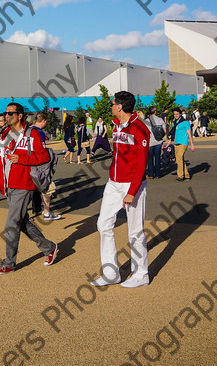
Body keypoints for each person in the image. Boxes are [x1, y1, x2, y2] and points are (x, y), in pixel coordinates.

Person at [0, 103, 58, 273]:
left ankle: (9, 263)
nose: (6, 116)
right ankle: (49, 248)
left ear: (20, 115)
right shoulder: (4, 135)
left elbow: (44, 157)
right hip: (9, 186)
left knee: (11, 224)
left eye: (10, 113)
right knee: (21, 222)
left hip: (24, 185)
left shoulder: (33, 134)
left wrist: (22, 158)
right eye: (5, 113)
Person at [90, 91, 150, 288]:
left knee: (135, 231)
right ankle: (110, 273)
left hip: (132, 185)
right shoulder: (116, 126)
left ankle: (141, 273)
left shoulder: (139, 129)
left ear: (120, 106)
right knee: (103, 224)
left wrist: (132, 191)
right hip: (113, 184)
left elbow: (141, 164)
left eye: (112, 103)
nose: (110, 106)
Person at [30, 112, 62, 221]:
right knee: (46, 188)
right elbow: (42, 151)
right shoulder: (40, 133)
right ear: (43, 121)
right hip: (39, 164)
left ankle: (25, 214)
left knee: (28, 189)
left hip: (28, 163)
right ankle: (47, 212)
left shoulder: (28, 131)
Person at [168, 107, 195, 181]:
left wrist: (192, 144)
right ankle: (186, 175)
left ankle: (180, 176)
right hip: (176, 142)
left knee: (179, 158)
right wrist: (170, 141)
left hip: (183, 142)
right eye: (174, 114)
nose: (176, 115)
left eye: (177, 114)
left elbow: (189, 133)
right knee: (180, 159)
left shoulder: (185, 122)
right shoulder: (175, 122)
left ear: (180, 114)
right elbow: (173, 133)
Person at [144, 107, 166, 179]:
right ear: (155, 112)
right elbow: (165, 131)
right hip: (159, 141)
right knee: (157, 157)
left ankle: (151, 174)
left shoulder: (146, 121)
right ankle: (158, 174)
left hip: (150, 142)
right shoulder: (160, 120)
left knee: (150, 158)